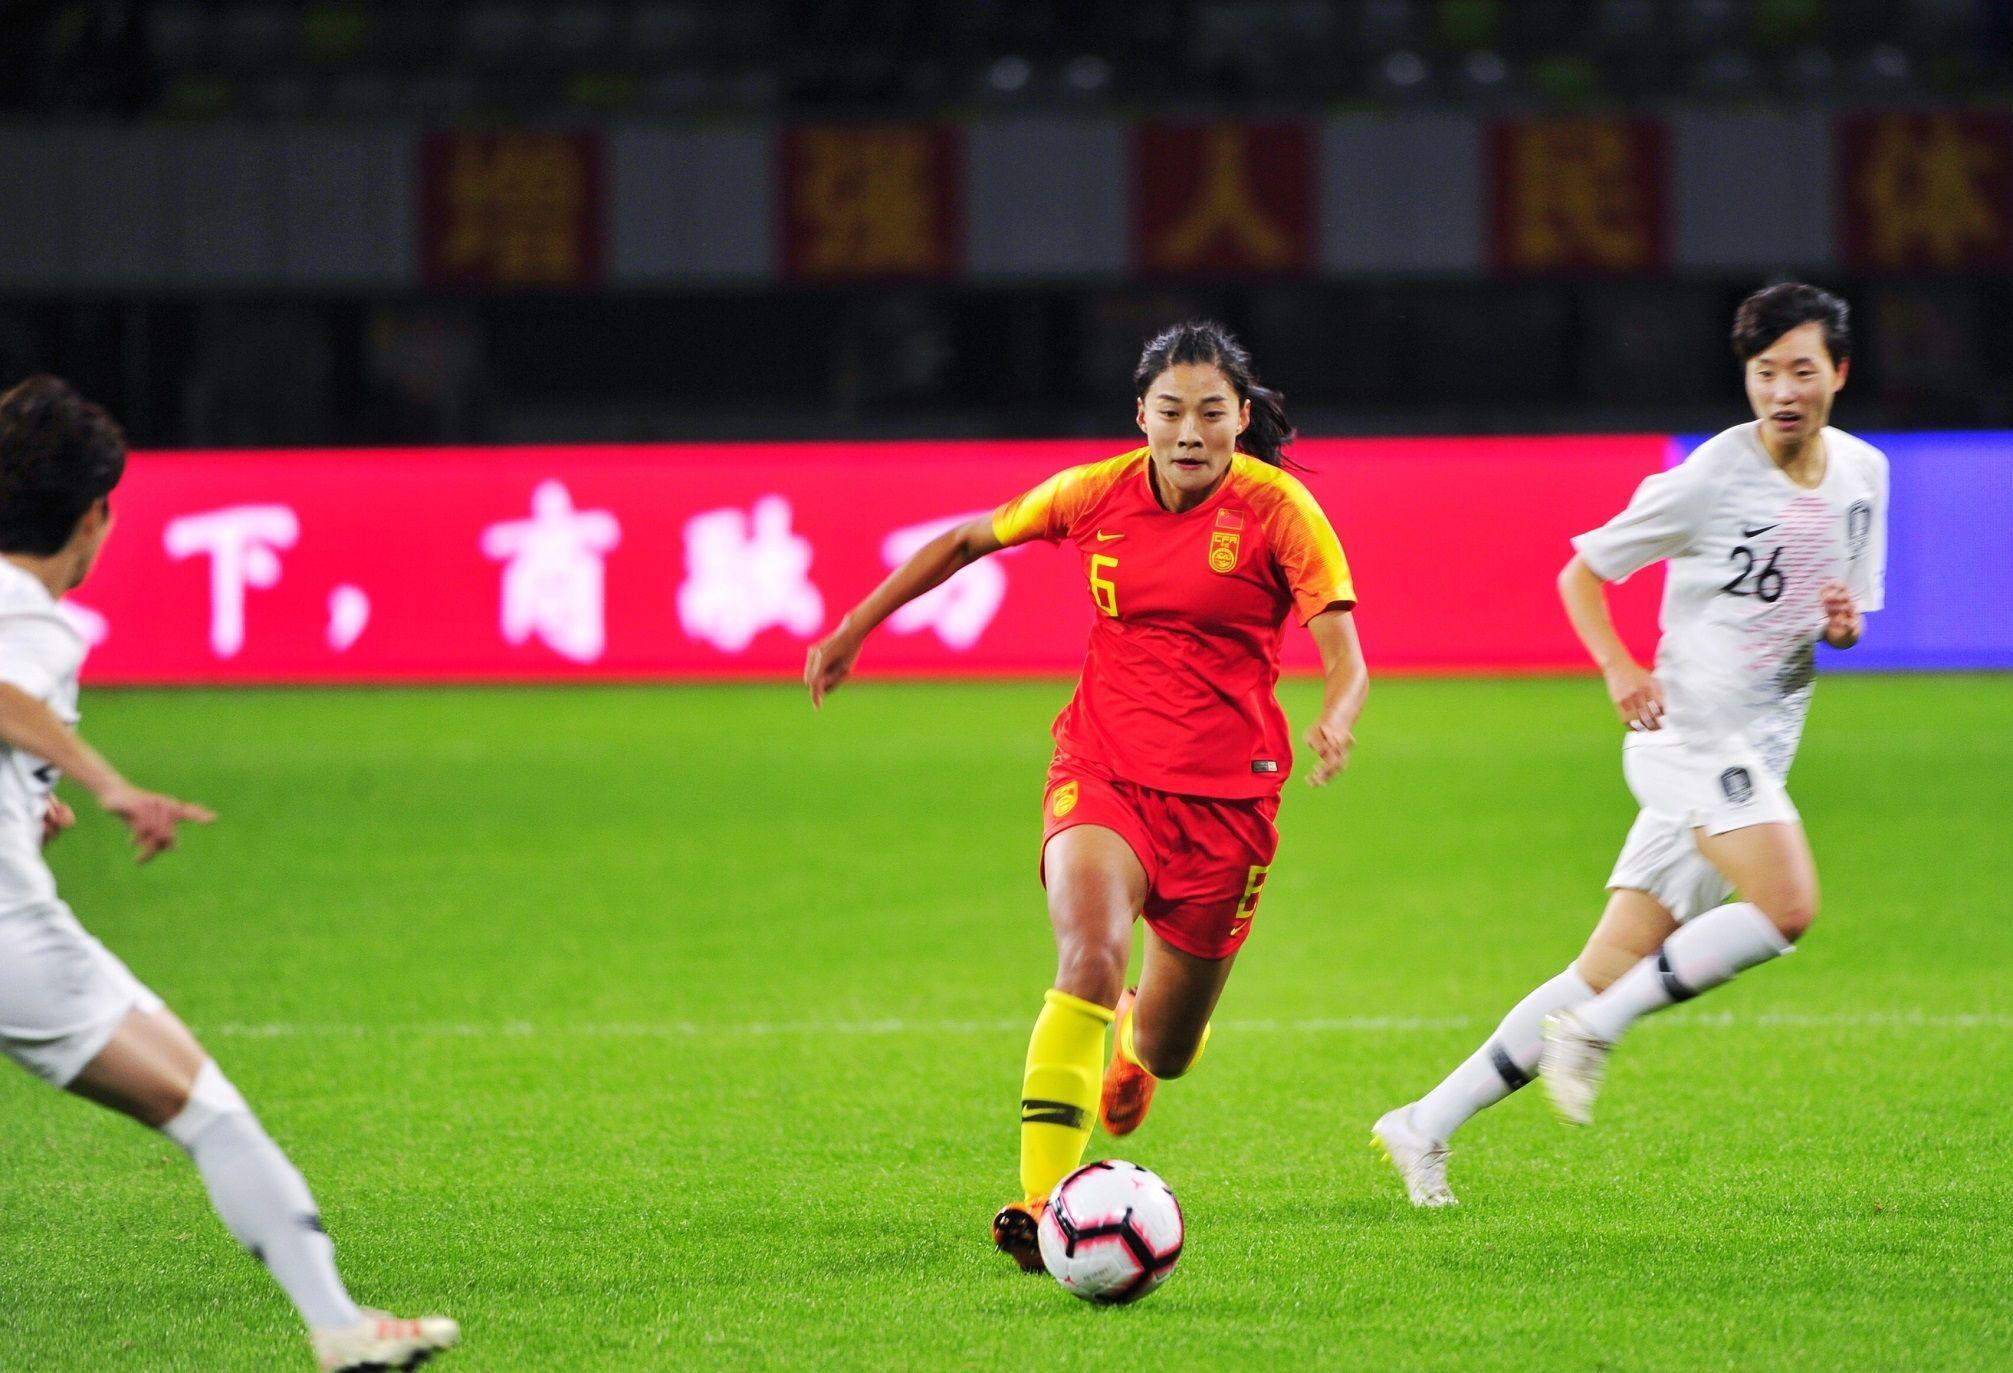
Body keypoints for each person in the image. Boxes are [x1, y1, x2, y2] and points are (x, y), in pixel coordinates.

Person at [805, 322, 1368, 1270]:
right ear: (1140, 414)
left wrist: (1337, 717)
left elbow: (1345, 655)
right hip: (1101, 769)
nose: (1189, 431)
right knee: (1089, 958)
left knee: (1170, 1043)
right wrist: (855, 626)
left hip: (1226, 805)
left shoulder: (1278, 512)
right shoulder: (1091, 492)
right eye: (1170, 410)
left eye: (1210, 412)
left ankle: (1137, 1052)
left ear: (1240, 419)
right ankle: (1042, 1206)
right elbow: (965, 540)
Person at [1374, 282, 1888, 1206]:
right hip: (1685, 734)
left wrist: (1843, 628)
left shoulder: (1862, 476)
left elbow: (1840, 619)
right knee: (1786, 907)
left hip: (1759, 753)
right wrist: (1618, 667)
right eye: (1763, 371)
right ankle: (1598, 1029)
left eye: (1800, 370)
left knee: (1604, 964)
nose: (1781, 389)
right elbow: (1580, 574)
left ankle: (1423, 1122)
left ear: (1838, 373)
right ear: (1746, 376)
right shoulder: (1710, 477)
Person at [0, 376, 459, 1371]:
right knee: (206, 1109)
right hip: (11, 941)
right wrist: (109, 784)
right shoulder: (31, 619)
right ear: (94, 515)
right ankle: (339, 1324)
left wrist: (27, 803)